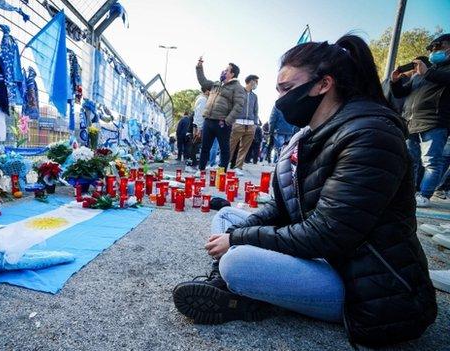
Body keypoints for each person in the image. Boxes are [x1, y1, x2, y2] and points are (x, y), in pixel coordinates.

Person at [173, 35, 437, 347]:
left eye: (287, 88)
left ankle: (244, 290)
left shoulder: (371, 136)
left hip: (365, 289)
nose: (281, 99)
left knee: (236, 261)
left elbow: (326, 234)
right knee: (229, 217)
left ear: (323, 84)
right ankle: (244, 288)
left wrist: (238, 240)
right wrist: (238, 231)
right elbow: (282, 206)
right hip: (324, 257)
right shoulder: (308, 135)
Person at [390, 33, 450, 208]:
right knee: (410, 161)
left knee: (431, 161)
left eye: (437, 47)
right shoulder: (422, 75)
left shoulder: (437, 72)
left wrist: (428, 72)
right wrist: (395, 82)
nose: (433, 51)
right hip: (412, 124)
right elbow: (401, 93)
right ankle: (411, 193)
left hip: (435, 123)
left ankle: (424, 194)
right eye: (431, 49)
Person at [196, 59, 246, 171]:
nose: (223, 71)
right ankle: (201, 170)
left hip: (222, 122)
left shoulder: (237, 87)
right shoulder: (216, 84)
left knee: (224, 148)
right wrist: (199, 67)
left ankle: (222, 172)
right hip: (208, 120)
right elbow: (203, 81)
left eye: (226, 70)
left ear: (232, 74)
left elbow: (238, 106)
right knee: (205, 147)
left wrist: (227, 120)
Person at [228, 75, 259, 175]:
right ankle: (224, 164)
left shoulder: (255, 96)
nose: (257, 84)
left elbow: (256, 111)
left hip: (250, 125)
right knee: (230, 145)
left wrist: (255, 124)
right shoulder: (239, 92)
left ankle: (238, 167)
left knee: (244, 148)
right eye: (256, 82)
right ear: (250, 82)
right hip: (238, 123)